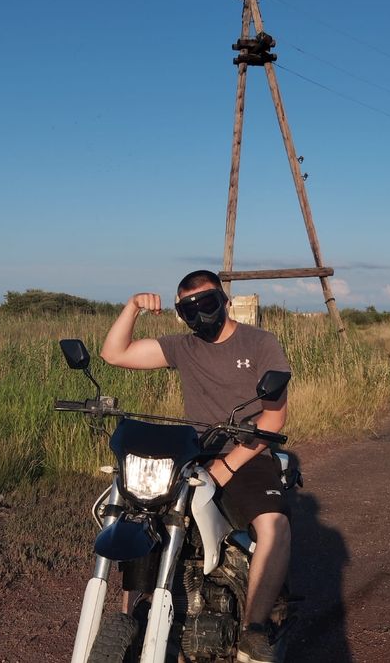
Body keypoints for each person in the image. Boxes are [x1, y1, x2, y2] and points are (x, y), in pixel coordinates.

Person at [101, 270, 291, 663]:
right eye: (190, 309)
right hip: (194, 454)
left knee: (274, 525)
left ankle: (254, 630)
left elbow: (273, 419)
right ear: (180, 314)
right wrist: (133, 306)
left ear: (224, 301)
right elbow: (115, 354)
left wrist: (229, 466)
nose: (201, 314)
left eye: (208, 303)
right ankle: (134, 618)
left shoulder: (260, 342)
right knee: (141, 515)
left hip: (248, 451)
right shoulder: (182, 347)